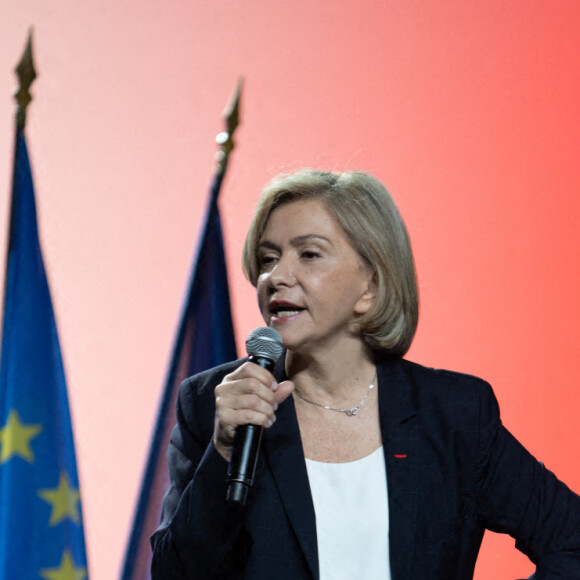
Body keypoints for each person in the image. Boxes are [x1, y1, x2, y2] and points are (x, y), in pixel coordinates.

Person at [150, 169, 580, 579]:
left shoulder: (454, 415)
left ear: (369, 287)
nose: (275, 276)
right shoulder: (212, 402)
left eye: (309, 254)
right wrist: (223, 449)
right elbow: (175, 575)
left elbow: (572, 543)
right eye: (268, 258)